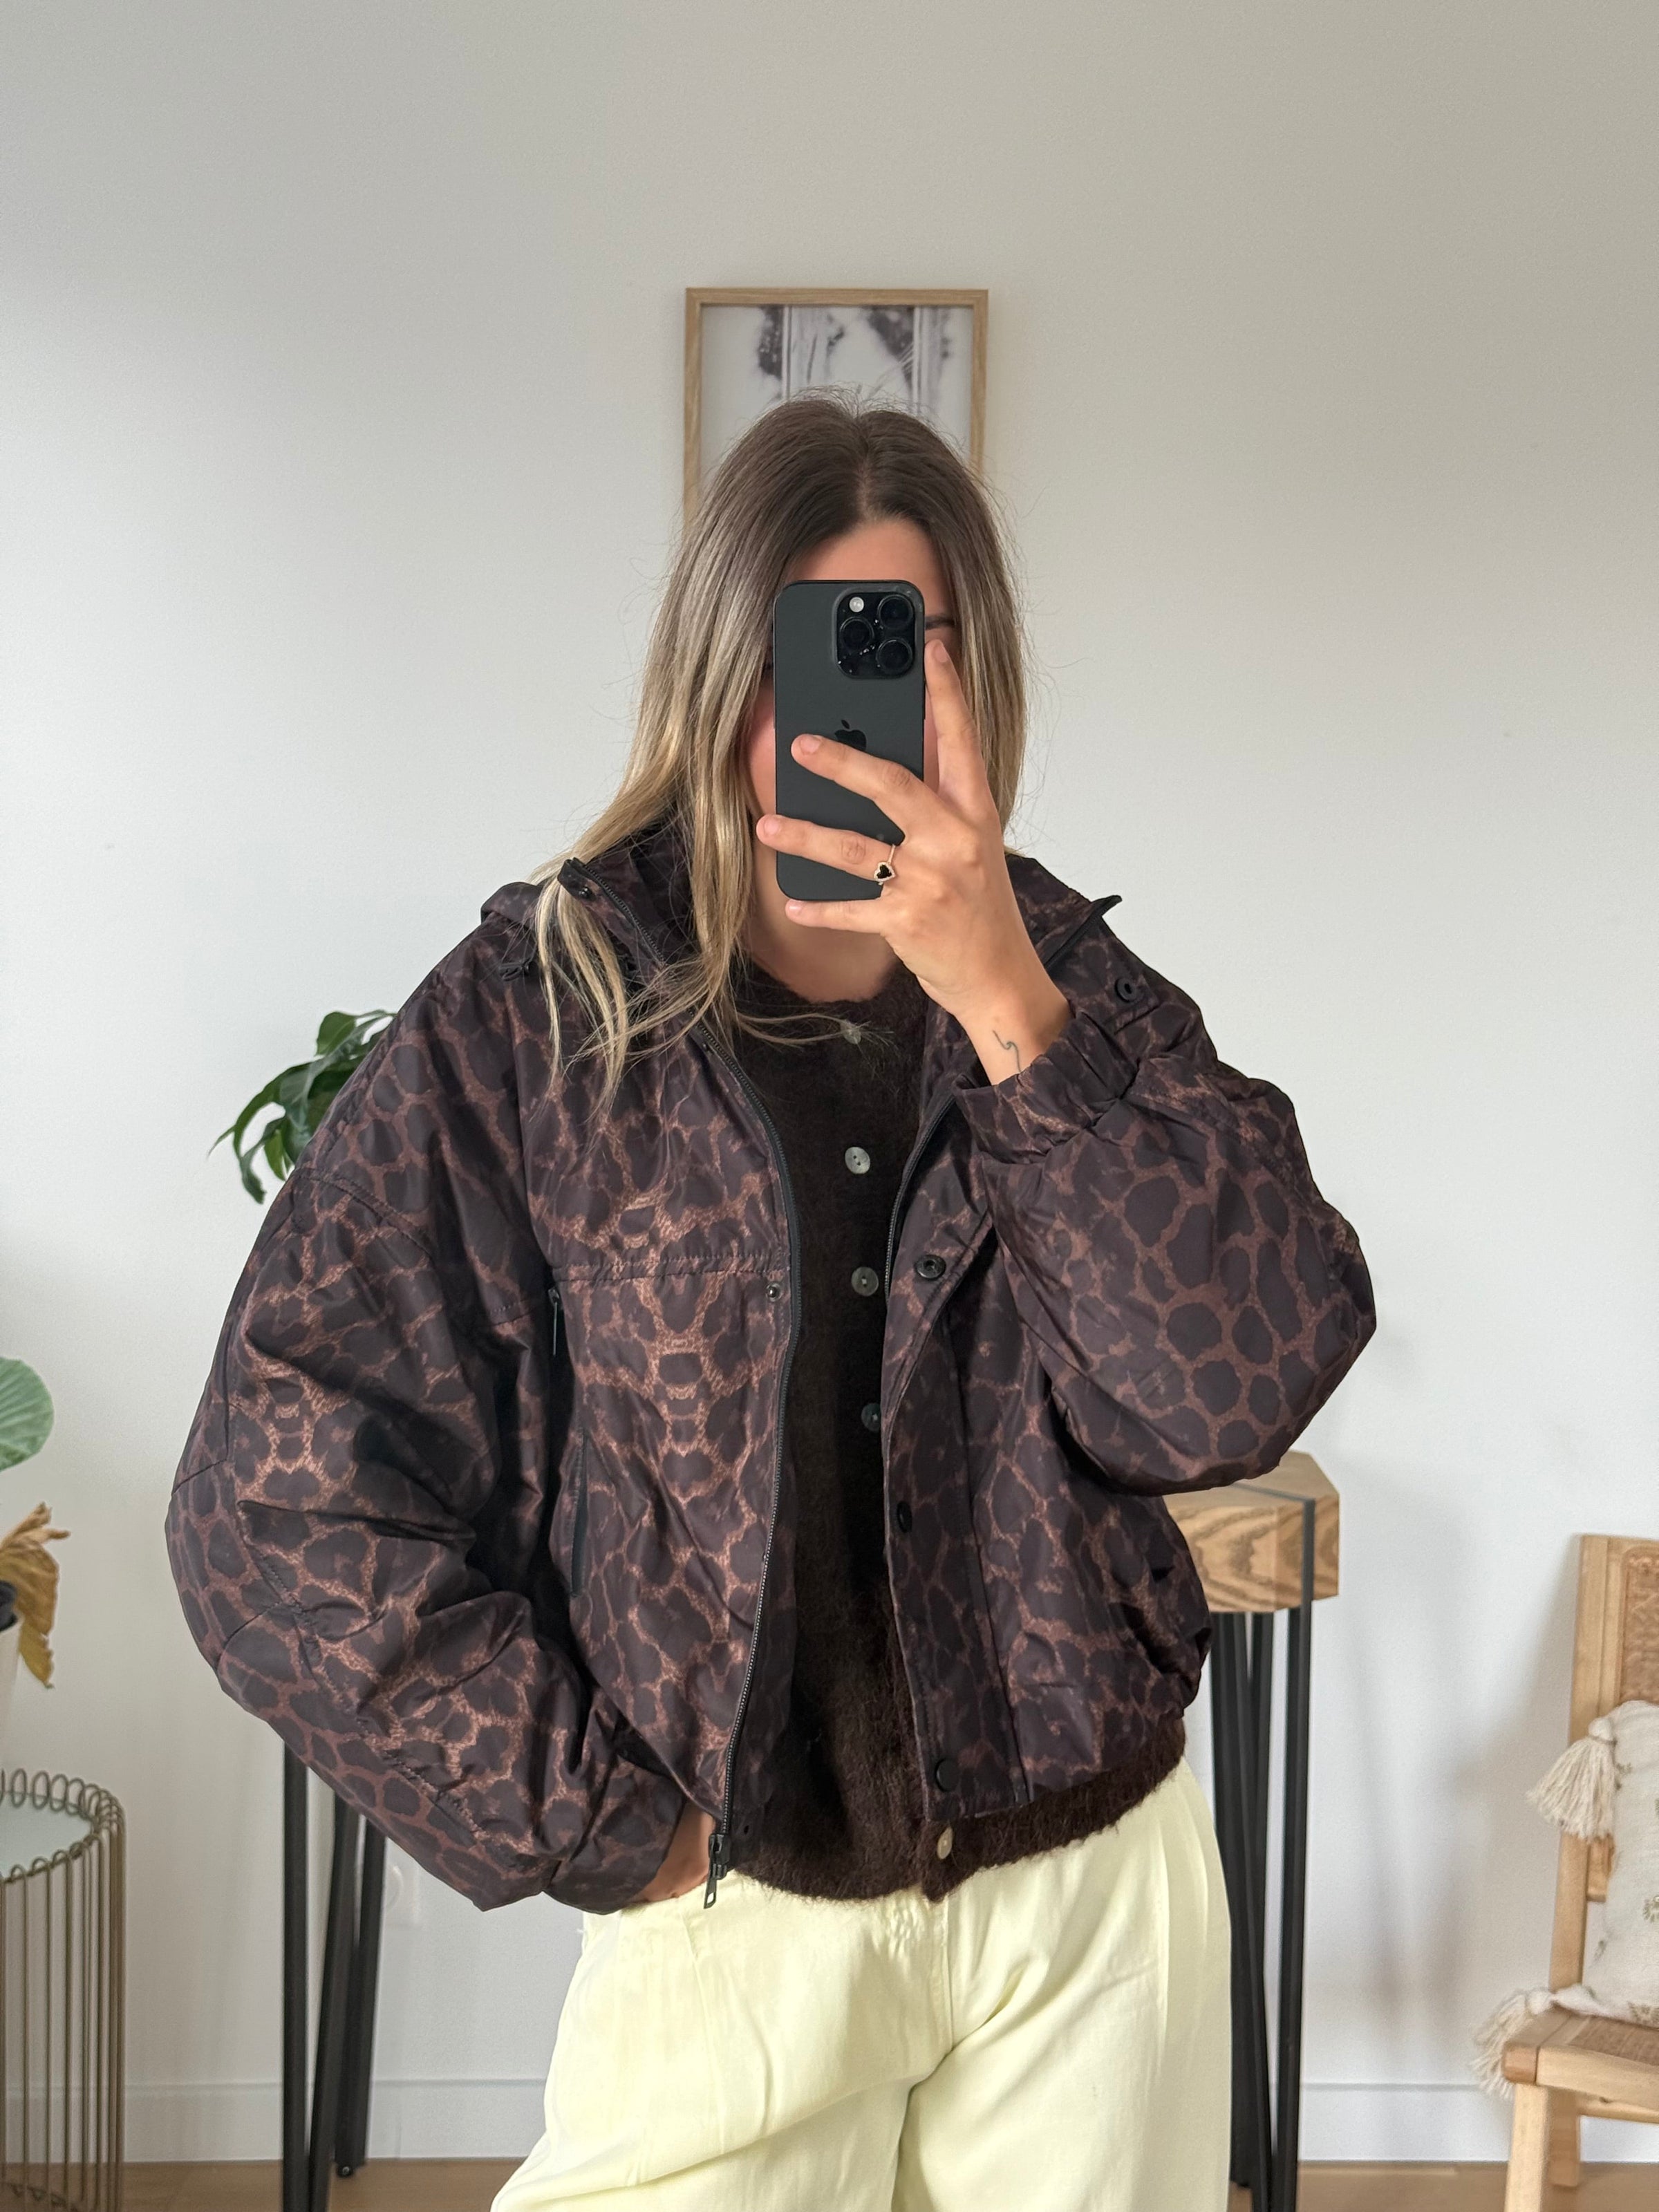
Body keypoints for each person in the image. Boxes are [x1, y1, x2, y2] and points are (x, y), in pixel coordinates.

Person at [167, 393, 1375, 2211]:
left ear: (972, 678)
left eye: (894, 649)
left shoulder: (1076, 989)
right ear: (716, 670)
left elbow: (1229, 1395)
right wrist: (600, 1823)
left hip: (1092, 1920)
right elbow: (271, 1491)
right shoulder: (547, 1014)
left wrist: (1011, 1011)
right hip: (727, 1922)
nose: (829, 718)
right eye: (801, 655)